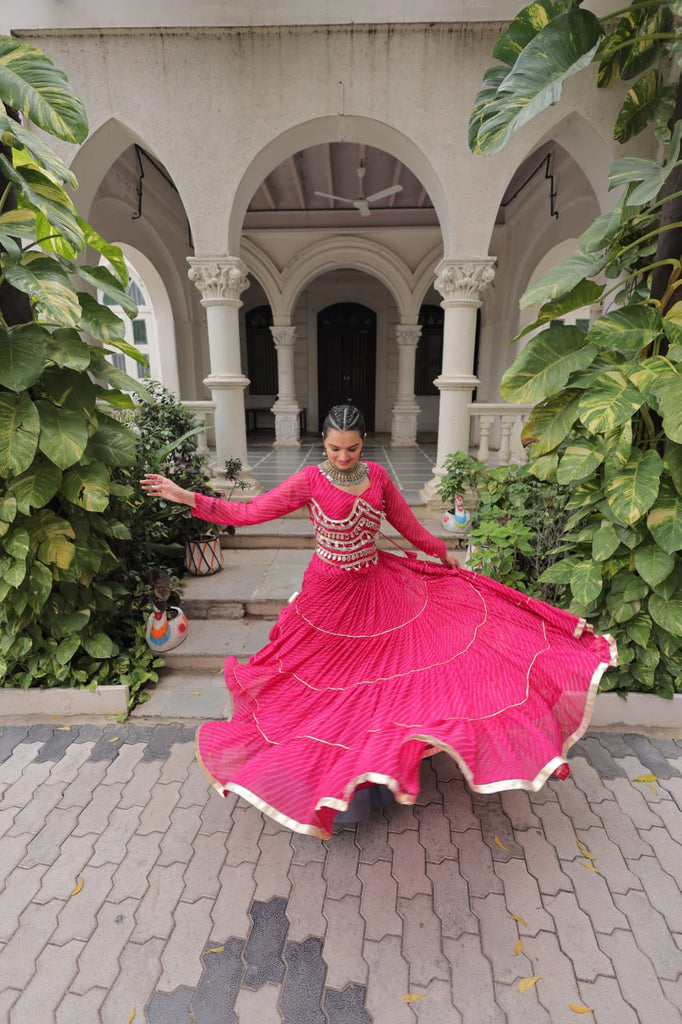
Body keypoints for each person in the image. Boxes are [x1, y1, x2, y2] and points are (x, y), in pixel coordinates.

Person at [142, 403, 617, 839]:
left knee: (379, 684)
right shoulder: (310, 480)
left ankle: (371, 773)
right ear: (323, 442)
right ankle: (326, 775)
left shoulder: (378, 478)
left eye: (351, 448)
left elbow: (407, 526)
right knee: (326, 685)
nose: (343, 456)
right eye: (333, 448)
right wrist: (189, 498)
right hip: (326, 598)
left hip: (379, 589)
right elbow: (249, 513)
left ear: (364, 441)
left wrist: (442, 554)